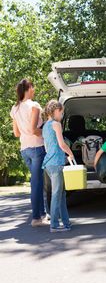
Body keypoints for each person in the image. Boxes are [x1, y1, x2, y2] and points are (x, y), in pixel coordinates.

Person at [10, 79, 47, 227]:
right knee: (37, 183)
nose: (35, 89)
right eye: (33, 86)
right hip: (37, 147)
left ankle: (43, 214)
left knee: (37, 182)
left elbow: (16, 133)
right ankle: (36, 218)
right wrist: (47, 132)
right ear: (29, 88)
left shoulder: (15, 108)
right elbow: (34, 130)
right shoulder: (34, 105)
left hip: (24, 149)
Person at [42, 100, 74, 233]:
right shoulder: (56, 124)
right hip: (55, 164)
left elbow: (47, 147)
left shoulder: (45, 126)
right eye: (61, 113)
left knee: (61, 193)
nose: (62, 115)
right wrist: (70, 154)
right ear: (55, 111)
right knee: (57, 194)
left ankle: (66, 222)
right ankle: (54, 225)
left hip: (49, 163)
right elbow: (61, 144)